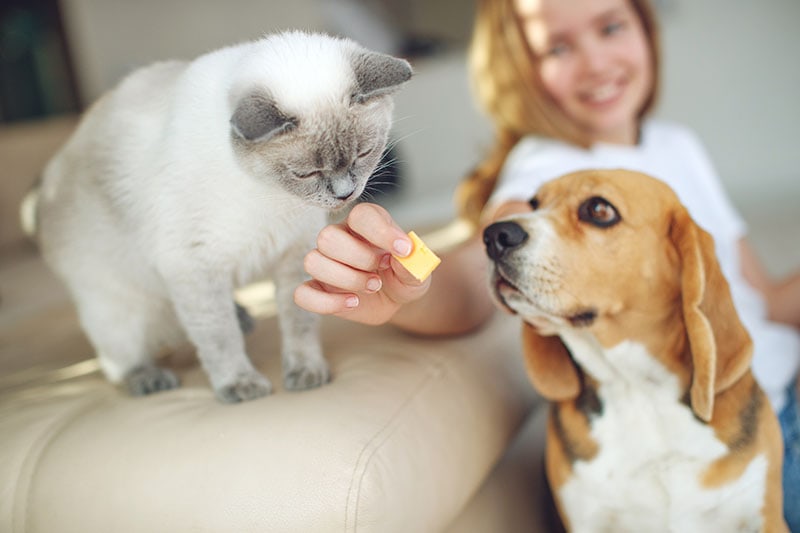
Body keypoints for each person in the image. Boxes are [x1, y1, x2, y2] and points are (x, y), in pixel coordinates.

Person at [294, 0, 800, 527]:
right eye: (557, 47)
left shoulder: (679, 146)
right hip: (746, 428)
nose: (595, 62)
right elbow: (479, 270)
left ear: (646, 29)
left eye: (611, 27)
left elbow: (759, 298)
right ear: (520, 69)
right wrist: (406, 284)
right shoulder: (545, 163)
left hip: (766, 393)